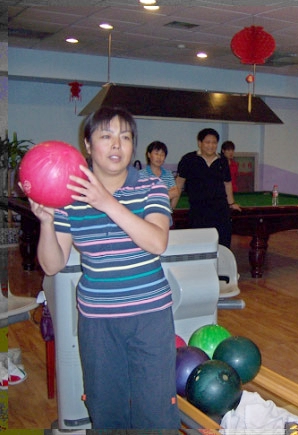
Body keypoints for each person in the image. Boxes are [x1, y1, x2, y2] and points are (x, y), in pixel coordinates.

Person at [25, 107, 180, 429]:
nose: (116, 145)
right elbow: (52, 265)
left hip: (150, 317)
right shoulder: (68, 196)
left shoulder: (150, 187)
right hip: (98, 320)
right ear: (87, 144)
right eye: (106, 136)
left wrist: (106, 202)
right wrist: (47, 223)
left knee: (155, 412)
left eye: (125, 137)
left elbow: (157, 242)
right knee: (106, 411)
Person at [175, 128, 241, 248]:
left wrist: (231, 203)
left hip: (220, 211)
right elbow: (179, 184)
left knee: (222, 246)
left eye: (214, 142)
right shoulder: (188, 159)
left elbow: (227, 183)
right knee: (199, 246)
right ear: (199, 143)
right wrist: (171, 207)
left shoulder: (222, 160)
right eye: (207, 142)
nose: (211, 145)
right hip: (198, 210)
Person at [141, 140, 181, 209]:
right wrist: (166, 194)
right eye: (156, 154)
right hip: (146, 212)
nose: (159, 157)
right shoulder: (140, 175)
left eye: (162, 155)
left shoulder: (168, 174)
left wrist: (154, 197)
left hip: (164, 211)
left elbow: (175, 192)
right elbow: (142, 198)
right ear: (149, 155)